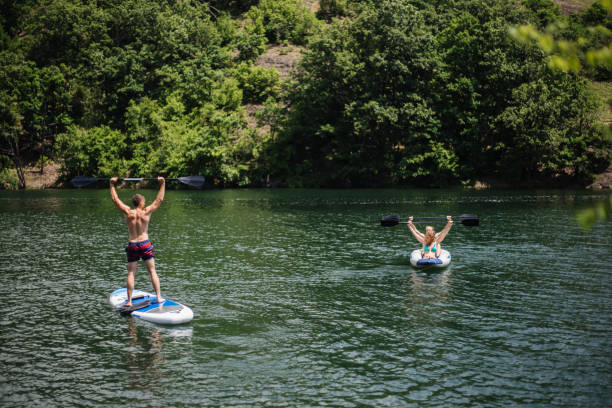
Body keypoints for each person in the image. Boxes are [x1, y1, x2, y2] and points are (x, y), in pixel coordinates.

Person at [110, 176, 165, 307]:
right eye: (144, 201)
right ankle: (158, 297)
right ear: (140, 203)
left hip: (133, 245)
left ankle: (129, 301)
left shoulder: (128, 212)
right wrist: (163, 183)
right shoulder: (146, 212)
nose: (145, 203)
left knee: (131, 273)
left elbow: (115, 200)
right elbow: (159, 199)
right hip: (145, 244)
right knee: (152, 271)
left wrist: (111, 184)